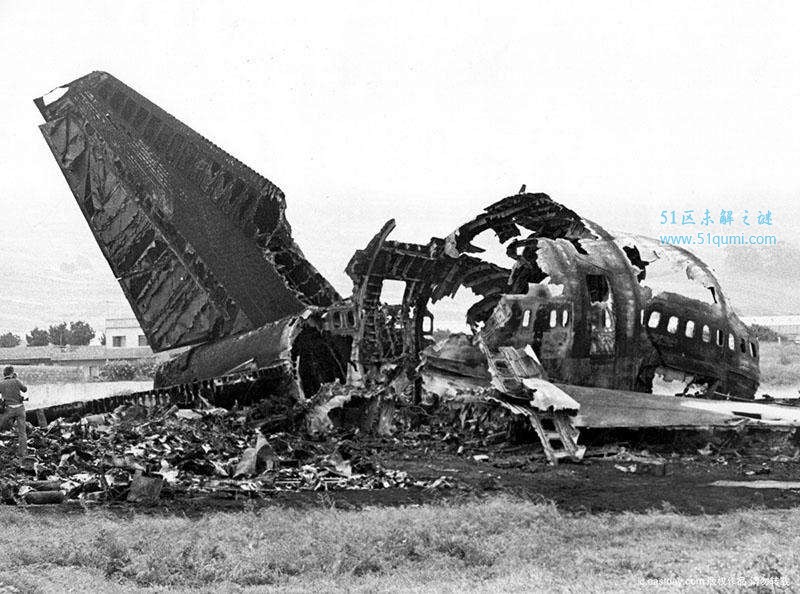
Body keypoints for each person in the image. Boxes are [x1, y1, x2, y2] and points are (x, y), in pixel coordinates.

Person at [0, 366, 28, 459]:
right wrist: (16, 379)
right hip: (20, 409)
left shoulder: (1, 383)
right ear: (12, 373)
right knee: (22, 433)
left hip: (9, 410)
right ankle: (23, 454)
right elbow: (25, 389)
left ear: (4, 374)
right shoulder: (16, 381)